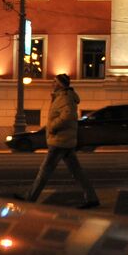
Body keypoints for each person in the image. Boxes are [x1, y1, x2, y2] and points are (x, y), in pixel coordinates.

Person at [22, 73, 99, 208]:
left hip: (60, 141)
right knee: (77, 172)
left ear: (60, 84)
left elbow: (67, 116)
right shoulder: (61, 97)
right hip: (64, 141)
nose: (52, 84)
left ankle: (30, 198)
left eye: (55, 82)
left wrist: (52, 126)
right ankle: (92, 198)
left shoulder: (65, 97)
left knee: (44, 171)